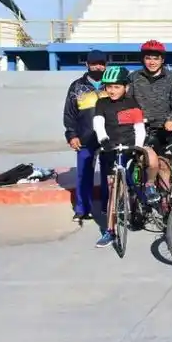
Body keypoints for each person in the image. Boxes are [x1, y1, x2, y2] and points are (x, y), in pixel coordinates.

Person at [92, 66, 158, 248]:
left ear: (126, 87)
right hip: (111, 148)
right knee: (113, 190)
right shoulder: (101, 104)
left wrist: (138, 146)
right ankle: (110, 231)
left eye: (116, 87)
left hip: (131, 146)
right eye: (108, 87)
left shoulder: (133, 103)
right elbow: (98, 124)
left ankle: (149, 186)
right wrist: (103, 139)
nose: (112, 90)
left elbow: (139, 128)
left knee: (152, 159)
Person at [128, 39, 172, 188]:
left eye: (155, 58)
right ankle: (140, 197)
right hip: (139, 128)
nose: (152, 62)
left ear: (162, 59)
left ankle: (165, 202)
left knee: (164, 165)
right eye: (148, 58)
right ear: (143, 59)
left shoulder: (171, 78)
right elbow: (126, 99)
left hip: (163, 128)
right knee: (140, 164)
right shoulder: (134, 77)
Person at [63, 49, 109, 223]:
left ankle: (107, 206)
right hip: (85, 137)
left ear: (106, 65)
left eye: (101, 63)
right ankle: (82, 209)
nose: (98, 67)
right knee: (84, 174)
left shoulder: (112, 84)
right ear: (87, 65)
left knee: (109, 174)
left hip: (108, 137)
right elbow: (69, 113)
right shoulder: (77, 86)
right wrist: (71, 135)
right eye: (94, 63)